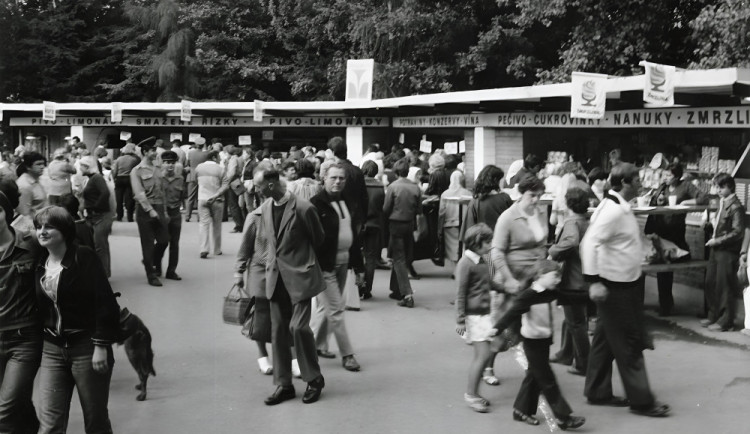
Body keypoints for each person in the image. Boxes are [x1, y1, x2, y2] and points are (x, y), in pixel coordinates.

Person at [581, 163, 670, 417]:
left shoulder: (619, 206)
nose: (641, 183)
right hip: (616, 287)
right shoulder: (613, 210)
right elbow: (589, 243)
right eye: (637, 180)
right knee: (629, 343)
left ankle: (597, 390)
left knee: (605, 341)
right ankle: (642, 401)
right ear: (624, 183)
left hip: (624, 284)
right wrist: (593, 281)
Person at [33, 206, 120, 434]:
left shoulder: (83, 256)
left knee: (95, 419)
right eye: (38, 227)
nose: (41, 232)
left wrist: (101, 345)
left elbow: (105, 302)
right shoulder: (39, 262)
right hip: (52, 348)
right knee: (50, 421)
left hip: (86, 347)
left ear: (64, 230)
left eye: (48, 227)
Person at [256, 169, 326, 405]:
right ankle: (284, 384)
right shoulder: (266, 207)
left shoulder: (304, 208)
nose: (256, 190)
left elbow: (318, 239)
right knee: (278, 332)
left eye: (259, 186)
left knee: (298, 328)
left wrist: (305, 263)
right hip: (276, 279)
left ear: (273, 184)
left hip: (300, 277)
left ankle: (314, 379)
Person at [493, 260, 586, 430]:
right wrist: (496, 329)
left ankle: (520, 411)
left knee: (534, 376)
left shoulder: (552, 293)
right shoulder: (528, 296)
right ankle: (563, 417)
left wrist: (592, 296)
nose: (558, 280)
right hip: (532, 343)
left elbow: (573, 297)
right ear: (541, 276)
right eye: (554, 276)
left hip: (544, 341)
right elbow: (512, 313)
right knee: (547, 379)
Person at [489, 176, 548, 386]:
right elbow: (496, 252)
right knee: (505, 325)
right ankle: (488, 366)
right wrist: (508, 279)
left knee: (534, 327)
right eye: (532, 195)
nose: (536, 200)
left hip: (536, 277)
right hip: (513, 277)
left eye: (540, 196)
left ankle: (535, 371)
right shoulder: (508, 217)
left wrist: (544, 266)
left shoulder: (541, 212)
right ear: (521, 193)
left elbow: (543, 243)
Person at [309, 163, 361, 372]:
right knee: (337, 308)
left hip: (343, 260)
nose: (338, 181)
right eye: (333, 178)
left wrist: (359, 267)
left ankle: (317, 345)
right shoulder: (315, 204)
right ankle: (347, 354)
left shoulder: (346, 201)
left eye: (342, 178)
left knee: (326, 308)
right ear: (324, 179)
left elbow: (354, 236)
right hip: (324, 265)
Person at [0, 179, 43, 433]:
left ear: (6, 213)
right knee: (19, 403)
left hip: (24, 339)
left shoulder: (32, 243)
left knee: (4, 410)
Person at [644, 163, 707, 316]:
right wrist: (656, 201)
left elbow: (703, 197)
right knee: (662, 268)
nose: (666, 178)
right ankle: (665, 304)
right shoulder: (662, 188)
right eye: (664, 175)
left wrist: (686, 203)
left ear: (677, 176)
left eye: (669, 175)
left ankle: (666, 305)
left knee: (670, 262)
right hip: (661, 230)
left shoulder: (685, 186)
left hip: (675, 230)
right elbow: (652, 202)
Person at [548, 188, 591, 376]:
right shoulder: (586, 221)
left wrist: (553, 251)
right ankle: (565, 353)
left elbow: (572, 241)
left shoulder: (572, 222)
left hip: (573, 280)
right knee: (572, 320)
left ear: (568, 204)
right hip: (583, 277)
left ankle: (583, 364)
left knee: (576, 323)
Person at [455, 223, 497, 413]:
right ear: (477, 242)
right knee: (483, 355)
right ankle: (471, 395)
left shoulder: (481, 261)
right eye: (488, 242)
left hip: (483, 314)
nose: (491, 245)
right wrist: (460, 319)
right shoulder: (466, 263)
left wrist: (508, 287)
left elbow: (488, 284)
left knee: (483, 355)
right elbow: (460, 293)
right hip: (474, 316)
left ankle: (475, 393)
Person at [702, 173, 744, 332]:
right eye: (716, 186)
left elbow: (737, 232)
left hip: (726, 251)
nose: (717, 190)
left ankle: (725, 321)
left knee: (724, 286)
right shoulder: (722, 202)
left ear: (730, 187)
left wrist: (717, 240)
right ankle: (713, 315)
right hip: (716, 248)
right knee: (711, 282)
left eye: (721, 187)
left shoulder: (735, 206)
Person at [384, 157, 423, 308]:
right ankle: (396, 289)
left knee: (398, 258)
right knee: (403, 256)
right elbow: (419, 210)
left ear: (396, 171)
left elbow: (386, 208)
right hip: (410, 223)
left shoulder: (393, 187)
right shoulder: (415, 187)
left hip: (395, 223)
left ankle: (407, 294)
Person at [130, 141, 169, 287]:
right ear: (145, 152)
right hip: (144, 210)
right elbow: (139, 193)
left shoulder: (158, 169)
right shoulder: (136, 171)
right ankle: (151, 275)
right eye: (153, 150)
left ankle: (152, 260)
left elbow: (162, 191)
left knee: (164, 240)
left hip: (159, 206)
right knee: (147, 244)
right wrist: (150, 210)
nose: (156, 153)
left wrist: (163, 210)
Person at [80, 156, 113, 278]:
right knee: (100, 245)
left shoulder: (96, 178)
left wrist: (95, 207)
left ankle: (103, 275)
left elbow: (105, 193)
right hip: (95, 216)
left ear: (87, 166)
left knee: (100, 246)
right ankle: (103, 273)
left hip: (100, 216)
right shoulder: (91, 179)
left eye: (82, 166)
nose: (80, 168)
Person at [460, 165, 513, 241]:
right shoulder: (505, 198)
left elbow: (468, 229)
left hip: (483, 244)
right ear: (495, 181)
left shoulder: (475, 201)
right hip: (503, 240)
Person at [195, 151, 229, 259]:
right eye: (218, 157)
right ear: (214, 158)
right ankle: (217, 249)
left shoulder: (199, 168)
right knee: (217, 225)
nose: (219, 159)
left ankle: (204, 249)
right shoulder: (221, 169)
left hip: (202, 198)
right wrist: (217, 194)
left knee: (203, 224)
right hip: (217, 200)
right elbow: (226, 185)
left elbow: (196, 181)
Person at [158, 151, 185, 280]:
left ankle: (171, 271)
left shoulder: (180, 179)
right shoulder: (158, 178)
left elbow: (182, 196)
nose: (170, 165)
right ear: (162, 163)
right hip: (162, 214)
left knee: (174, 243)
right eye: (167, 162)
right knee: (162, 242)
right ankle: (157, 266)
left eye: (173, 163)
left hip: (175, 213)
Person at [438, 171, 472, 269]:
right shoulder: (468, 193)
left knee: (452, 248)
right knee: (463, 247)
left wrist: (439, 228)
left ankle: (456, 269)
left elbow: (441, 212)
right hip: (465, 224)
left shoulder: (445, 194)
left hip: (449, 224)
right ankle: (462, 267)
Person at [361, 160, 385, 300]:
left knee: (358, 256)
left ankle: (357, 286)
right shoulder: (380, 186)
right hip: (375, 224)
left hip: (360, 224)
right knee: (370, 258)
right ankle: (367, 289)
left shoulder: (359, 185)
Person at [111, 143, 141, 222]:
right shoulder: (134, 160)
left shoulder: (119, 159)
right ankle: (130, 217)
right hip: (129, 178)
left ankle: (119, 216)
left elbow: (115, 171)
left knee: (119, 199)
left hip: (119, 179)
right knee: (129, 199)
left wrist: (114, 178)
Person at [15, 152, 48, 219]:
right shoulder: (24, 185)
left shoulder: (36, 179)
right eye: (38, 164)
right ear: (28, 167)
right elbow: (24, 214)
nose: (42, 167)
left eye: (43, 164)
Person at [185, 138, 211, 222]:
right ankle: (200, 217)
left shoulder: (190, 153)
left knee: (190, 197)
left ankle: (187, 216)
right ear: (203, 145)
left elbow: (187, 164)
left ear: (196, 144)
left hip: (192, 175)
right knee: (201, 197)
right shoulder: (207, 153)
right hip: (202, 176)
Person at [225, 145, 245, 233]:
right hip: (238, 181)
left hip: (233, 182)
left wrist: (227, 182)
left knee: (233, 205)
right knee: (239, 204)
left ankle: (238, 226)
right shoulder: (240, 158)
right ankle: (242, 223)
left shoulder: (233, 159)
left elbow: (232, 172)